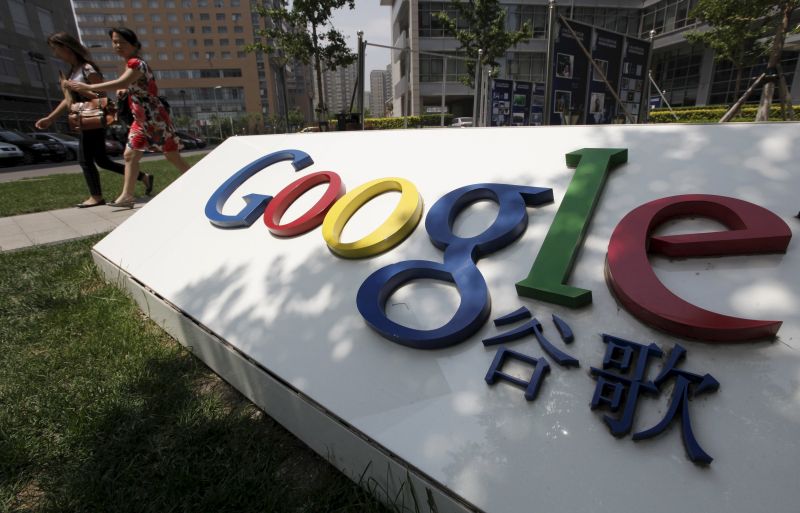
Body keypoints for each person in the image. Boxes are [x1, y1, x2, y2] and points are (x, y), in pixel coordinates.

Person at [68, 27, 190, 208]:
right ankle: (127, 196)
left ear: (134, 44)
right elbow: (131, 84)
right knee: (130, 155)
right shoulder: (131, 64)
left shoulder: (136, 63)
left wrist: (87, 88)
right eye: (115, 42)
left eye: (122, 42)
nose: (117, 46)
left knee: (171, 155)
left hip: (154, 118)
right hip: (142, 119)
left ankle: (199, 179)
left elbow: (124, 82)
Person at [35, 32, 153, 208]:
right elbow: (68, 99)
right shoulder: (72, 71)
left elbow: (101, 95)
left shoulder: (87, 68)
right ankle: (142, 176)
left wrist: (81, 88)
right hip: (82, 119)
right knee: (102, 161)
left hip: (93, 119)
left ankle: (96, 196)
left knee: (85, 160)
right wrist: (51, 118)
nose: (55, 53)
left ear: (66, 48)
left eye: (56, 49)